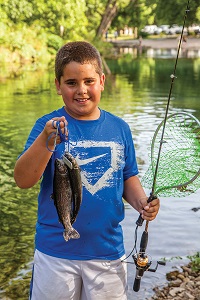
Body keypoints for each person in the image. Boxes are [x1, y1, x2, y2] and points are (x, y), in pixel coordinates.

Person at [14, 41, 160, 300]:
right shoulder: (46, 127)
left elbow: (127, 176)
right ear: (58, 85)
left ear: (102, 81)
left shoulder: (120, 128)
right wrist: (46, 141)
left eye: (89, 81)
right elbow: (23, 180)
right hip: (55, 251)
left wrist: (141, 203)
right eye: (71, 83)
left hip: (107, 252)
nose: (81, 90)